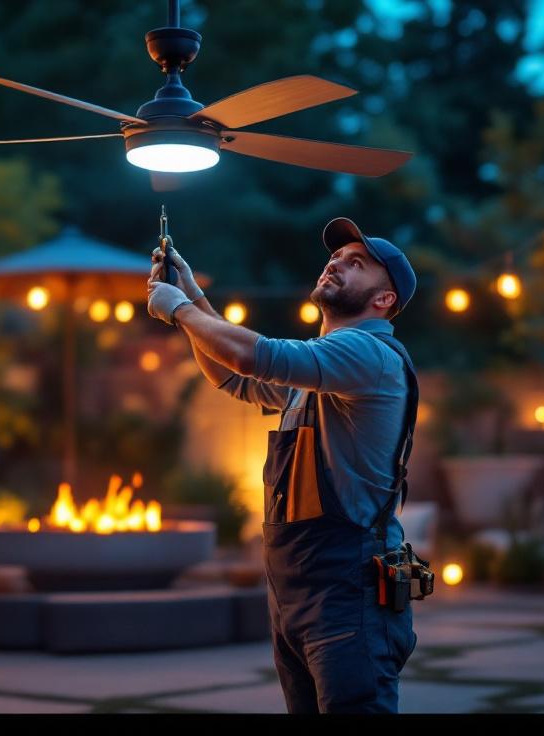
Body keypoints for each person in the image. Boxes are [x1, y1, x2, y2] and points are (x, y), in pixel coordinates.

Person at [146, 217, 420, 713]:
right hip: (298, 594)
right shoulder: (323, 368)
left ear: (384, 300)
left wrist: (182, 311)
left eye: (356, 263)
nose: (336, 261)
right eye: (337, 256)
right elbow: (235, 379)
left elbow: (255, 357)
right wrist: (192, 295)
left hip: (348, 595)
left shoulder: (368, 353)